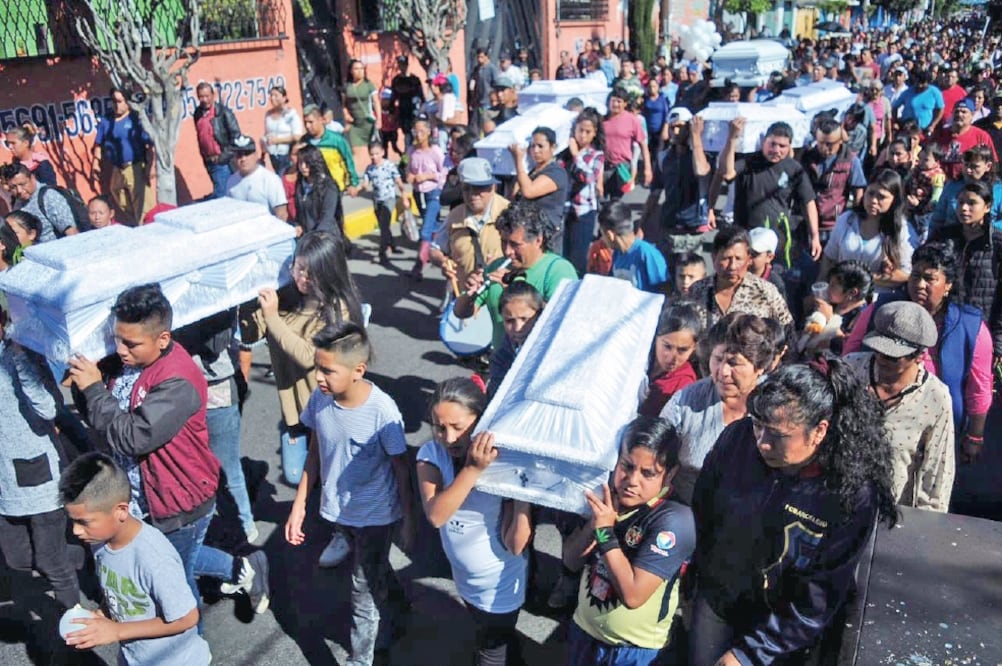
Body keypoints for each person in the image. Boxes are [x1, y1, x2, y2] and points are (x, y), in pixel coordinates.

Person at [66, 284, 270, 617]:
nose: (121, 350)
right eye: (118, 339)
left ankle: (189, 647)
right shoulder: (125, 363)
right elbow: (98, 414)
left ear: (162, 339)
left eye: (131, 343)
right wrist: (85, 385)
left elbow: (133, 436)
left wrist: (92, 388)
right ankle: (242, 569)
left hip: (178, 500)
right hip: (141, 497)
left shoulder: (178, 380)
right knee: (168, 557)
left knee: (176, 586)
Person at [689, 358, 898, 665]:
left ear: (819, 431)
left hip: (784, 635)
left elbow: (821, 594)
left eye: (778, 435)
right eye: (758, 425)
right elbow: (703, 511)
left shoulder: (849, 493)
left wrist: (750, 653)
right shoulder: (736, 440)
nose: (762, 443)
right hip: (717, 603)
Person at [285, 322, 414, 666]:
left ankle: (360, 660)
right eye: (317, 368)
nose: (319, 378)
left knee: (362, 592)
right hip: (338, 511)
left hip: (375, 516)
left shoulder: (383, 412)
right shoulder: (320, 400)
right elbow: (315, 449)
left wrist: (407, 519)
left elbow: (401, 467)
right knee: (371, 569)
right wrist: (299, 505)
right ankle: (399, 604)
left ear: (359, 370)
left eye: (327, 371)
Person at [416, 378, 532, 664]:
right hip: (465, 582)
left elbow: (516, 544)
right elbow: (436, 514)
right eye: (440, 427)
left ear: (481, 420)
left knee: (490, 649)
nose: (449, 437)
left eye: (459, 427)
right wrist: (471, 469)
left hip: (500, 585)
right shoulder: (431, 455)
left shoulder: (501, 464)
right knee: (497, 641)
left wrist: (522, 492)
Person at [564, 416, 695, 664]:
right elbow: (570, 561)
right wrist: (593, 524)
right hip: (584, 631)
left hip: (632, 650)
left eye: (648, 473)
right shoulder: (607, 498)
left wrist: (604, 532)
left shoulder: (675, 520)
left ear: (670, 474)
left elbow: (633, 595)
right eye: (627, 466)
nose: (632, 481)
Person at [843, 242, 992, 457]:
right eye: (915, 276)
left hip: (938, 430)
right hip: (874, 422)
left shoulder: (971, 327)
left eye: (929, 278)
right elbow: (849, 357)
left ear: (948, 284)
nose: (919, 284)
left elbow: (979, 388)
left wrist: (975, 436)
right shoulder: (882, 310)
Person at [60, 453, 211, 663]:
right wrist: (102, 616)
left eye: (84, 522)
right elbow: (117, 590)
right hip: (135, 657)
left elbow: (187, 617)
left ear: (121, 511)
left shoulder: (153, 558)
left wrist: (117, 631)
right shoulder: (99, 543)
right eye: (73, 521)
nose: (76, 531)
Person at [244, 232, 363, 488]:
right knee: (297, 475)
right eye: (298, 268)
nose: (301, 277)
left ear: (329, 272)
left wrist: (272, 317)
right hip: (295, 410)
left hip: (330, 410)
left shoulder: (338, 309)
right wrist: (247, 307)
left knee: (334, 477)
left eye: (310, 273)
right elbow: (251, 335)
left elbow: (310, 356)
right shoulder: (287, 297)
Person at [0, 317, 80, 616]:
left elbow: (49, 408)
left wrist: (20, 357)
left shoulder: (25, 355)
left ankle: (74, 633)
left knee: (51, 562)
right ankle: (83, 555)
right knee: (18, 559)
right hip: (3, 481)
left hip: (38, 473)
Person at [846, 302, 955, 512]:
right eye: (878, 351)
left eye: (892, 357)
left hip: (891, 512)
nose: (881, 359)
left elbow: (938, 472)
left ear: (919, 355)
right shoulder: (850, 369)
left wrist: (927, 525)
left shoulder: (936, 397)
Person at [660, 313, 775, 503]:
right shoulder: (686, 401)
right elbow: (656, 455)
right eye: (717, 359)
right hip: (688, 510)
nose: (723, 372)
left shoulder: (777, 404)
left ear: (759, 366)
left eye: (734, 363)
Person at [173, 310, 260, 543]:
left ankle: (244, 525)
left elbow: (216, 343)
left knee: (226, 466)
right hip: (178, 389)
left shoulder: (214, 300)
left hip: (216, 390)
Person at [454, 199, 578, 350]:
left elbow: (564, 321)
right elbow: (461, 313)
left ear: (538, 240)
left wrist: (516, 291)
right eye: (504, 242)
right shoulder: (495, 267)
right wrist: (469, 295)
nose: (507, 252)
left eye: (515, 245)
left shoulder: (558, 271)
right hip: (501, 363)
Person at [719, 119, 821, 266]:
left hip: (777, 240)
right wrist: (732, 138)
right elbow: (727, 173)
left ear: (789, 147)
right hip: (746, 236)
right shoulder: (749, 162)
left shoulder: (794, 168)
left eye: (782, 146)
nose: (776, 150)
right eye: (772, 144)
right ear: (764, 142)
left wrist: (815, 236)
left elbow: (808, 202)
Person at [819, 169, 913, 293]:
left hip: (876, 300)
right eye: (871, 193)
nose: (874, 200)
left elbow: (906, 275)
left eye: (881, 197)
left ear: (894, 200)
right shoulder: (847, 220)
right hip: (841, 294)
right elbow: (829, 257)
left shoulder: (899, 229)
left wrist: (866, 278)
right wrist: (821, 288)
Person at [687, 226, 794, 334]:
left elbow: (787, 330)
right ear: (714, 257)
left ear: (748, 259)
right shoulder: (697, 291)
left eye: (738, 259)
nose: (732, 266)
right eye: (726, 258)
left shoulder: (766, 292)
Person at [929, 181, 1002, 322]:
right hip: (945, 320)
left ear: (987, 207)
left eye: (972, 203)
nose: (964, 208)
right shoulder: (944, 237)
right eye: (960, 202)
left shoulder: (996, 242)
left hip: (983, 324)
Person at [440, 157, 510, 288]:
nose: (473, 194)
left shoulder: (509, 213)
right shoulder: (454, 216)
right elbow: (436, 249)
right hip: (465, 297)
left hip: (501, 297)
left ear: (493, 187)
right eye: (467, 188)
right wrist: (443, 262)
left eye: (479, 188)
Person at [93, 87, 155, 224]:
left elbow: (149, 146)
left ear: (127, 102)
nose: (117, 105)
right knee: (117, 193)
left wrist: (151, 167)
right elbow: (98, 144)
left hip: (135, 166)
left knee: (142, 203)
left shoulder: (135, 119)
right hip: (117, 168)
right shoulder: (106, 120)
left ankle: (145, 226)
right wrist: (95, 163)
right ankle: (135, 220)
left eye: (120, 101)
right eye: (114, 101)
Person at [801, 118, 867, 244]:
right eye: (820, 143)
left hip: (835, 223)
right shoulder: (807, 157)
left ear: (840, 141)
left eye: (830, 144)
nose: (825, 148)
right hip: (808, 222)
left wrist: (854, 220)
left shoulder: (851, 161)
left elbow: (858, 192)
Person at [510, 126, 570, 251]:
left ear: (553, 147)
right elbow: (515, 196)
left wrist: (518, 161)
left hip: (547, 235)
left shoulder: (556, 172)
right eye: (532, 146)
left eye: (540, 146)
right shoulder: (531, 173)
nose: (535, 150)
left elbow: (529, 192)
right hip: (528, 232)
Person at [561, 108, 605, 275]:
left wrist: (575, 154)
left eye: (588, 132)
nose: (583, 135)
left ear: (594, 133)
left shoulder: (596, 155)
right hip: (567, 210)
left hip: (584, 212)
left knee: (578, 258)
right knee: (564, 256)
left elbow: (588, 177)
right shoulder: (564, 154)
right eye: (580, 130)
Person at [639, 303, 702, 417]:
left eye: (682, 350)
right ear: (655, 337)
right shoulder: (638, 358)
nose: (673, 357)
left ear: (694, 348)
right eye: (667, 346)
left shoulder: (684, 384)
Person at [405, 117, 448, 280]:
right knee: (434, 226)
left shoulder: (435, 151)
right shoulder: (411, 151)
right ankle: (436, 251)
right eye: (415, 131)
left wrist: (429, 176)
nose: (418, 134)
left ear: (429, 132)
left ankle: (419, 266)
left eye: (422, 131)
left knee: (425, 231)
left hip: (433, 193)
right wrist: (409, 176)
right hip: (418, 193)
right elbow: (408, 168)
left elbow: (444, 172)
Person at [486, 282, 544, 398]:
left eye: (525, 319)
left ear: (539, 315)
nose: (518, 328)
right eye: (509, 321)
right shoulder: (501, 359)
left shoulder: (554, 347)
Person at [599, 200, 668, 293]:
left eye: (602, 234)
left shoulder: (647, 253)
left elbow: (664, 289)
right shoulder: (617, 253)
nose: (602, 239)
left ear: (609, 235)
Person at [811, 260, 874, 355]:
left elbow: (848, 348)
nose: (828, 289)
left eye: (833, 286)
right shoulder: (833, 303)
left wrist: (830, 320)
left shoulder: (862, 316)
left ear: (852, 292)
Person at [6, 163, 79, 241]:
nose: (19, 190)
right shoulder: (18, 203)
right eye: (13, 187)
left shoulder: (48, 197)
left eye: (22, 184)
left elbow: (71, 232)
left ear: (32, 178)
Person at [192, 82, 242, 199]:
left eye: (207, 96)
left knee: (222, 196)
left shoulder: (224, 113)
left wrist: (223, 157)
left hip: (222, 161)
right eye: (201, 96)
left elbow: (236, 137)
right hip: (209, 161)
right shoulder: (198, 113)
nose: (204, 99)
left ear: (213, 95)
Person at [303, 104, 360, 201]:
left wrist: (352, 183)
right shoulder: (304, 141)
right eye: (305, 122)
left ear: (321, 119)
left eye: (311, 122)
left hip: (335, 188)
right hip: (314, 189)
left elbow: (348, 161)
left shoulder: (336, 140)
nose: (307, 126)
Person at [226, 134, 289, 221]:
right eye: (239, 155)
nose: (243, 159)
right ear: (234, 158)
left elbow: (281, 213)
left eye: (247, 154)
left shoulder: (270, 179)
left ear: (255, 155)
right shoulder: (231, 182)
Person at [363, 141, 406, 265]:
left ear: (382, 152)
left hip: (389, 199)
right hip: (377, 200)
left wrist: (403, 194)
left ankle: (382, 254)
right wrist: (363, 186)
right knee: (383, 225)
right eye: (371, 154)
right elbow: (366, 181)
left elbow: (398, 181)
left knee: (384, 225)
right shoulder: (369, 168)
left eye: (377, 154)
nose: (374, 157)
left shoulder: (389, 165)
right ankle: (392, 244)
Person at [932, 99, 998, 181]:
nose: (959, 114)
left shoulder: (982, 136)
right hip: (941, 183)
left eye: (964, 112)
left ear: (972, 114)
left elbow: (992, 163)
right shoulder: (940, 134)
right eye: (956, 111)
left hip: (971, 183)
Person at [603, 89, 652, 199]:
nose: (615, 104)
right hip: (604, 167)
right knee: (600, 202)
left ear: (625, 104)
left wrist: (647, 168)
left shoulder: (632, 120)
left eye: (619, 101)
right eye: (613, 101)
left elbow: (643, 145)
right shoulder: (602, 120)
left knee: (616, 202)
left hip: (622, 167)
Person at [295, 145, 344, 238]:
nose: (303, 167)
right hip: (308, 238)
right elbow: (299, 213)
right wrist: (298, 225)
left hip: (325, 239)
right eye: (300, 163)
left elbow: (327, 218)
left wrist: (316, 238)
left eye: (307, 163)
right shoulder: (300, 185)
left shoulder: (328, 186)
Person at [344, 59, 381, 168]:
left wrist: (379, 120)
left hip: (368, 122)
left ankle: (373, 172)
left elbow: (376, 102)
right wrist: (346, 114)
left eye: (361, 68)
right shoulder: (347, 86)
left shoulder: (368, 85)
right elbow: (344, 104)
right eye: (356, 69)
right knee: (356, 151)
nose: (359, 71)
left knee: (373, 151)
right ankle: (355, 177)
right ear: (351, 71)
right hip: (355, 125)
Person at [262, 85, 304, 177]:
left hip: (286, 154)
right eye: (271, 95)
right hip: (273, 155)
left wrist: (278, 140)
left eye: (276, 95)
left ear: (284, 98)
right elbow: (267, 133)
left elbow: (298, 136)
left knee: (284, 177)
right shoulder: (268, 114)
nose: (272, 98)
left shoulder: (290, 114)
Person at [892, 70, 944, 134]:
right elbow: (895, 107)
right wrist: (895, 122)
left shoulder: (935, 92)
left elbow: (940, 109)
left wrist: (933, 125)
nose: (920, 86)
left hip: (925, 129)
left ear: (928, 82)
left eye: (923, 83)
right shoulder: (907, 92)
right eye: (918, 83)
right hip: (907, 128)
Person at [391, 55, 424, 145]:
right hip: (403, 112)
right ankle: (407, 157)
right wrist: (392, 112)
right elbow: (393, 97)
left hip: (414, 111)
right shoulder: (396, 80)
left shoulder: (415, 80)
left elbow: (421, 96)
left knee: (416, 135)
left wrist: (423, 110)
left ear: (407, 65)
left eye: (404, 64)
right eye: (400, 65)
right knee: (407, 137)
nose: (402, 67)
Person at [470, 49, 501, 132]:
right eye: (478, 57)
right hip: (479, 101)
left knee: (486, 121)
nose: (480, 59)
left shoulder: (492, 69)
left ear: (487, 57)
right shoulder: (477, 69)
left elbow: (496, 84)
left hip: (488, 101)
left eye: (482, 57)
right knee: (478, 122)